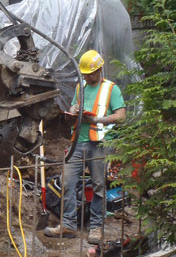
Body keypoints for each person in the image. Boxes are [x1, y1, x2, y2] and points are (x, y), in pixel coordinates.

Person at [44, 49, 125, 243]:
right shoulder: (82, 87)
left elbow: (121, 116)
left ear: (99, 70)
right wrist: (73, 110)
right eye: (84, 74)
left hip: (98, 144)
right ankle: (68, 225)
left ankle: (96, 227)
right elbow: (74, 105)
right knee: (67, 183)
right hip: (77, 141)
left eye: (89, 73)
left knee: (98, 185)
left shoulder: (111, 89)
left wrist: (96, 119)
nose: (86, 77)